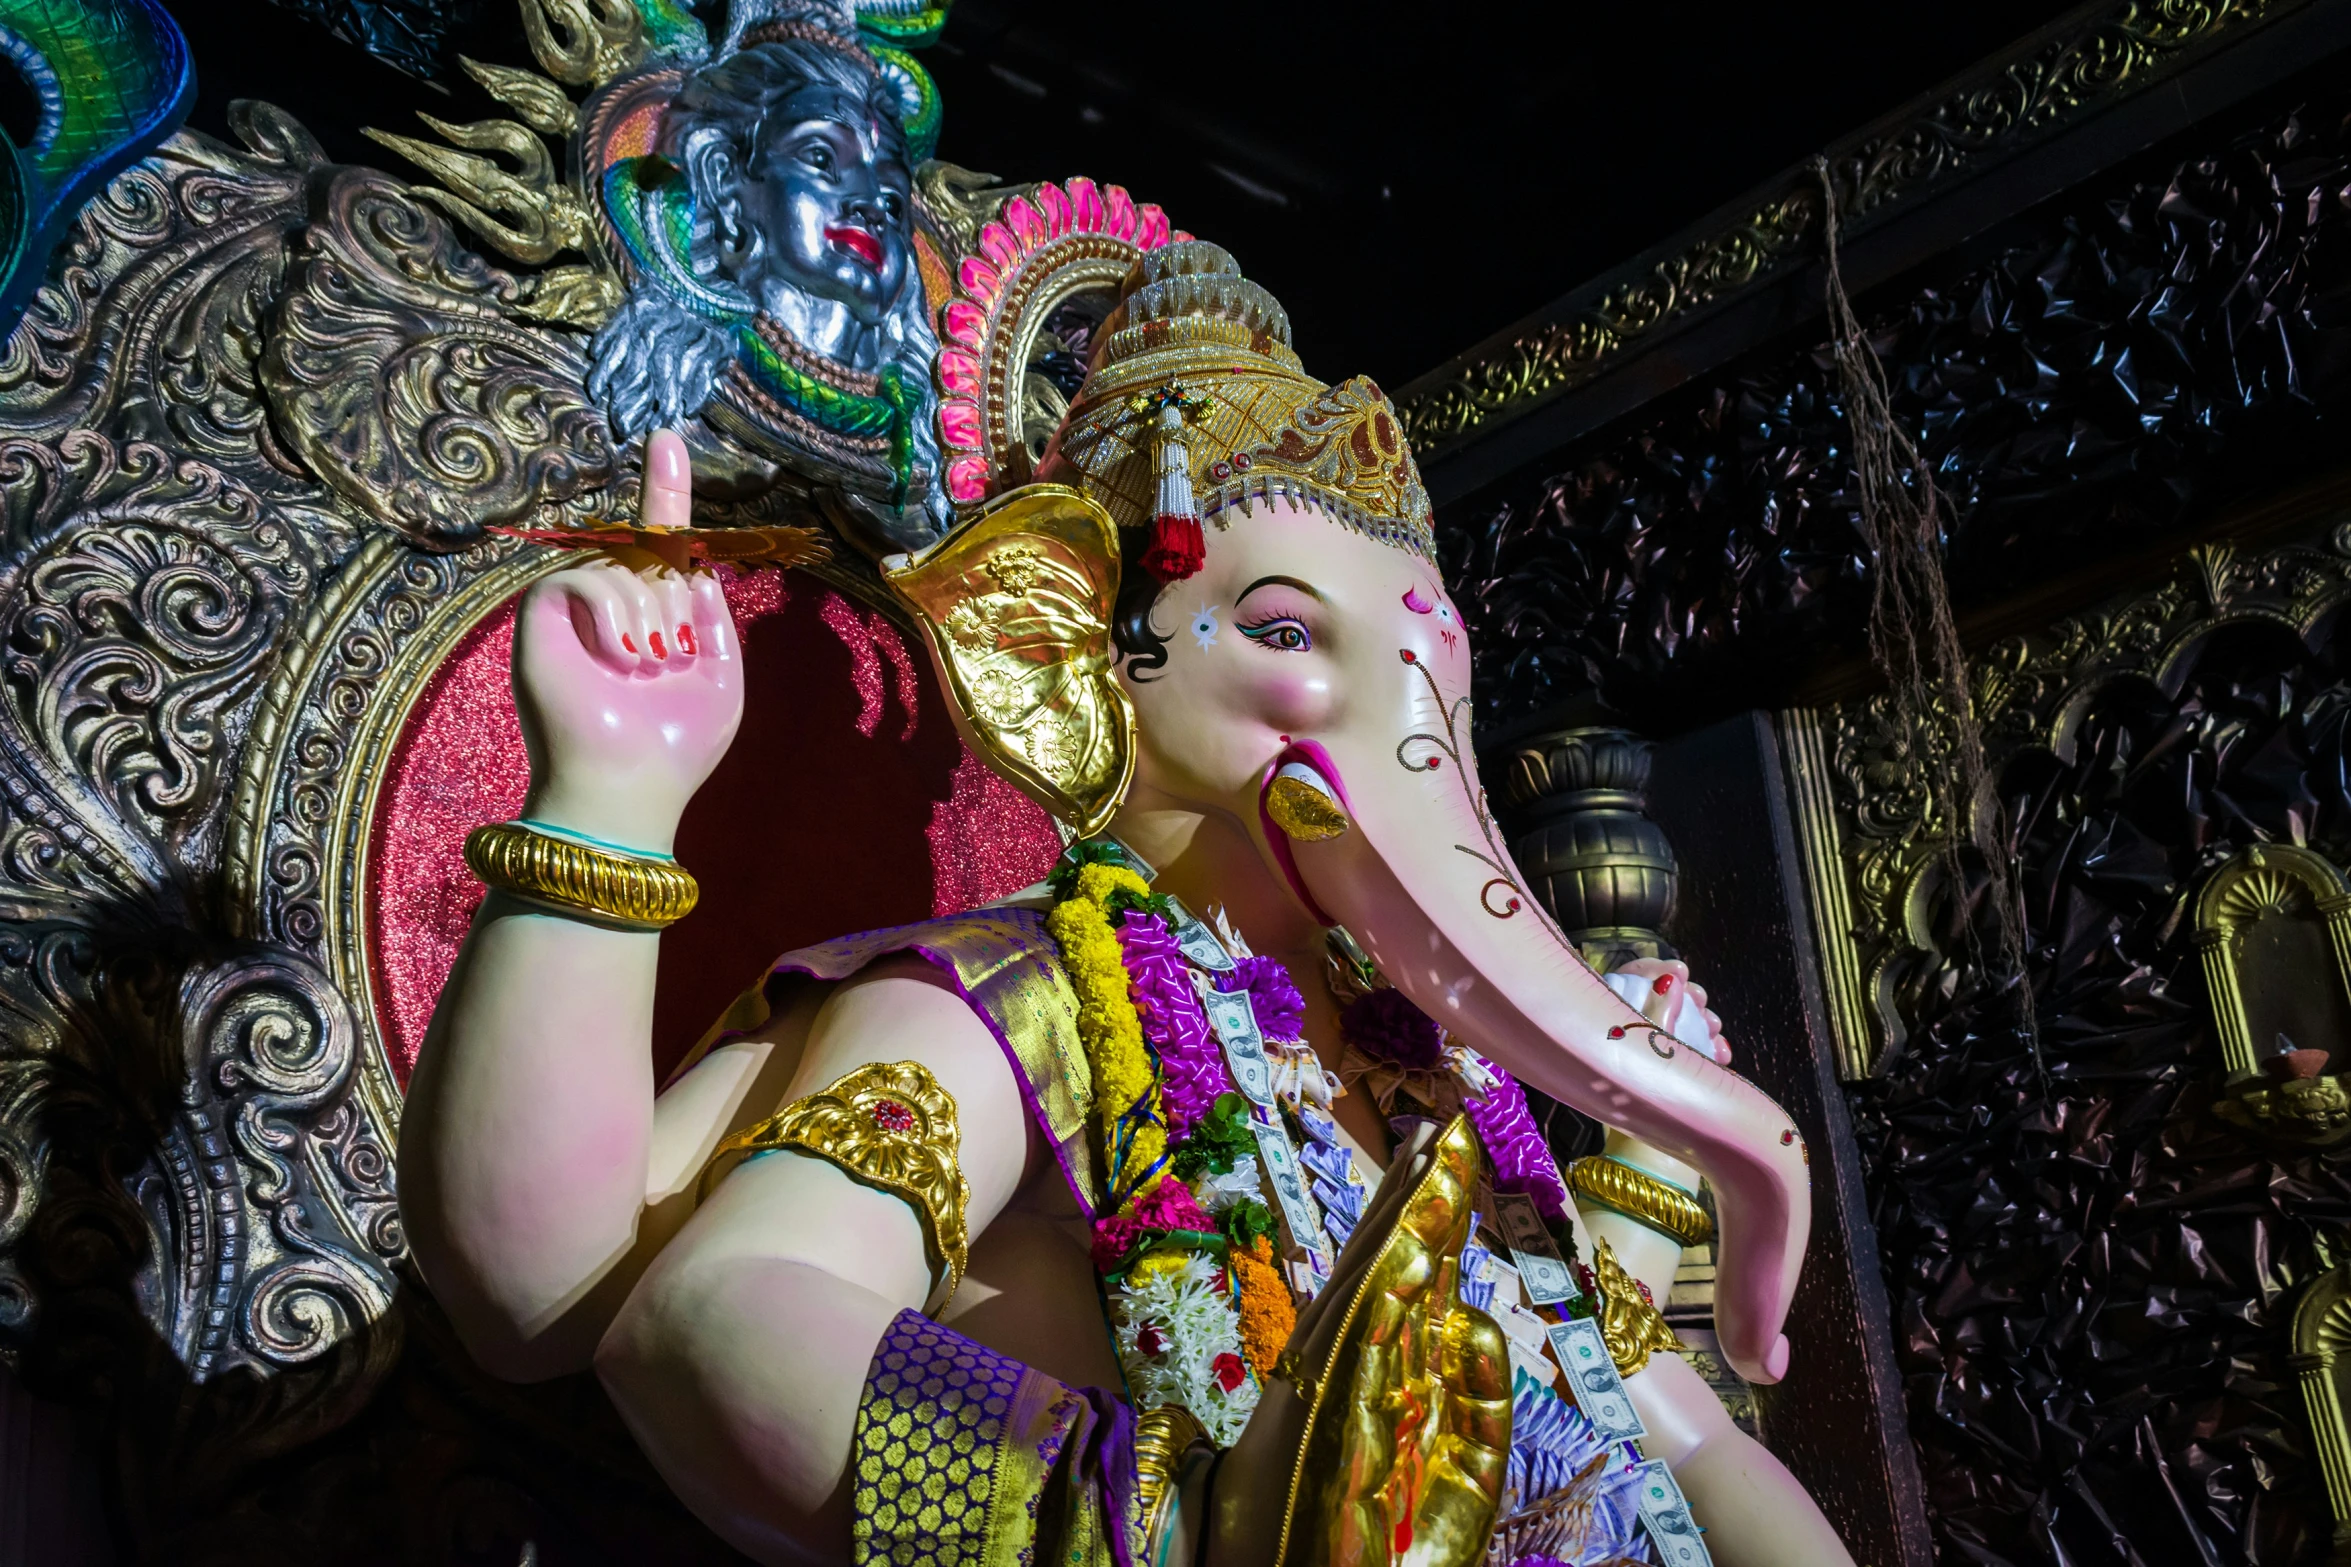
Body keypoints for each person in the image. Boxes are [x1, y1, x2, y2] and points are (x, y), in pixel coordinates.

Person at [403, 243, 1851, 1565]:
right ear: (1068, 648)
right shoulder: (1020, 1000)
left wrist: (1648, 1179)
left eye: (1434, 685)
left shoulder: (1439, 1077)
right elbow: (714, 1314)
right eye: (1284, 633)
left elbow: (1682, 1442)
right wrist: (1172, 1529)